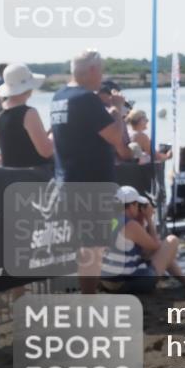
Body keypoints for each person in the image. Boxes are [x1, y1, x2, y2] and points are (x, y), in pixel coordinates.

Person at [51, 50, 133, 294]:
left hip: (68, 179)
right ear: (93, 70)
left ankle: (88, 297)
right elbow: (115, 137)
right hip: (90, 183)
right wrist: (118, 110)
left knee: (87, 245)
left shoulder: (59, 96)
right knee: (92, 246)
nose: (102, 77)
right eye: (102, 71)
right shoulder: (86, 99)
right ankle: (88, 300)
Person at [101, 186, 185, 295]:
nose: (139, 208)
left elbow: (144, 250)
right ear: (131, 206)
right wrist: (149, 219)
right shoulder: (130, 225)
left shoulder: (112, 220)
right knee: (171, 241)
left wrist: (141, 221)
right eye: (137, 205)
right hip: (124, 285)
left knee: (158, 252)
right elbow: (155, 246)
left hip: (107, 282)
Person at [0, 63, 53, 168]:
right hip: (32, 173)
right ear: (28, 87)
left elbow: (17, 142)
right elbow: (46, 151)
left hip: (10, 173)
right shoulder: (29, 113)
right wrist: (56, 133)